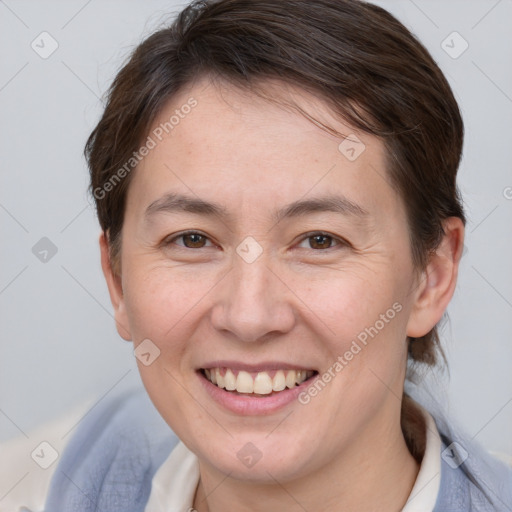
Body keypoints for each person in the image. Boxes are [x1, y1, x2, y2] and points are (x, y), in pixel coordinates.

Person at [3, 0, 512, 510]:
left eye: (319, 240)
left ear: (431, 276)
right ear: (116, 278)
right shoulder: (45, 483)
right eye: (192, 240)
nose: (248, 317)